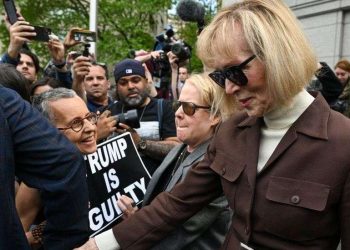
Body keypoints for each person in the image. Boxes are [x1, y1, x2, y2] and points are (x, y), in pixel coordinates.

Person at [76, 0, 350, 249]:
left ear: (279, 55)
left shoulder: (343, 144)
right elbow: (176, 203)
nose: (229, 88)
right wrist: (100, 245)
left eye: (235, 72)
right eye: (220, 76)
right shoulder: (232, 132)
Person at [117, 73, 235, 250]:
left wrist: (134, 227)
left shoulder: (217, 165)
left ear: (215, 116)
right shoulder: (182, 148)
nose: (178, 113)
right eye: (178, 105)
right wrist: (138, 216)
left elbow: (179, 232)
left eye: (189, 108)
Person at [0, 86, 89, 249]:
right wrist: (38, 234)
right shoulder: (37, 181)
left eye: (90, 118)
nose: (90, 128)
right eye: (76, 123)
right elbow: (20, 225)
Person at [106, 59, 179, 174]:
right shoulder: (108, 112)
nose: (130, 86)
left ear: (146, 81)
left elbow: (176, 147)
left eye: (136, 80)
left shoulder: (164, 107)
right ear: (117, 87)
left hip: (156, 188)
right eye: (123, 82)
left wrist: (140, 143)